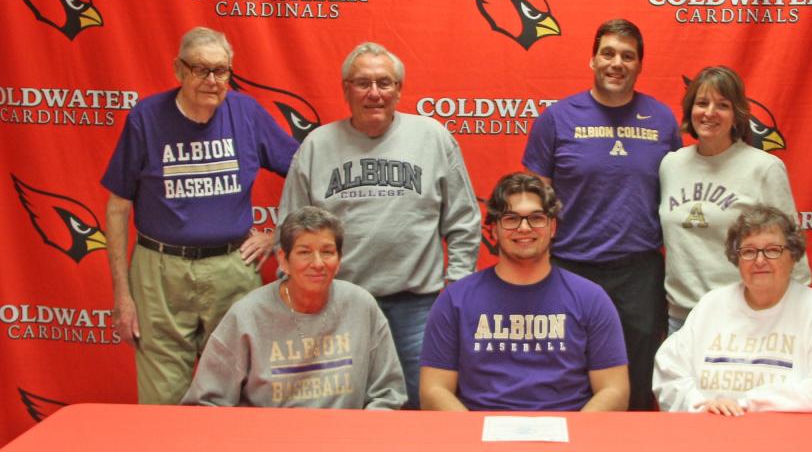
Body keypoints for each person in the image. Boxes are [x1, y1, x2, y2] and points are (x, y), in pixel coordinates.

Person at [102, 26, 298, 405]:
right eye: (201, 70)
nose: (212, 81)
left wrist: (278, 235)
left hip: (232, 268)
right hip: (159, 272)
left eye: (221, 71)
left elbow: (306, 167)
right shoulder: (146, 117)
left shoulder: (246, 112)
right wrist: (122, 295)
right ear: (179, 70)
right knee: (163, 399)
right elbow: (116, 207)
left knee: (240, 391)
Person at [278, 42, 481, 407]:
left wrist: (457, 287)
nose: (374, 93)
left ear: (399, 90)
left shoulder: (432, 137)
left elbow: (464, 218)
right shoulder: (316, 145)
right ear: (345, 89)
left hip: (417, 306)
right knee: (344, 407)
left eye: (384, 83)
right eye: (362, 83)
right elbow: (291, 227)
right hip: (338, 305)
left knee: (424, 404)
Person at [522, 18, 681, 411]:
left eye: (627, 56)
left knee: (638, 377)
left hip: (639, 272)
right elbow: (532, 201)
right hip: (569, 268)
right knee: (566, 373)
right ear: (592, 60)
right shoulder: (557, 119)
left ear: (639, 65)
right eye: (608, 53)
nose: (617, 63)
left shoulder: (662, 121)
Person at [419, 172, 629, 412]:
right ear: (493, 230)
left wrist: (572, 441)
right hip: (479, 434)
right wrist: (475, 440)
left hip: (568, 435)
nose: (524, 227)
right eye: (511, 219)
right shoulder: (455, 300)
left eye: (536, 218)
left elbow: (614, 390)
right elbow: (433, 390)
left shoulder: (591, 299)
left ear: (552, 227)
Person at [182, 206, 406, 409]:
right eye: (304, 252)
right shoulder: (247, 315)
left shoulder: (362, 306)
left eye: (327, 252)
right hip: (270, 444)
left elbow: (388, 393)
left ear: (339, 261)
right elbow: (206, 403)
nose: (317, 263)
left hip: (345, 442)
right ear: (283, 260)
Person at [653, 205, 812, 415]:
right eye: (749, 251)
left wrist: (746, 404)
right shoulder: (711, 305)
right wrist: (699, 405)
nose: (760, 261)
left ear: (793, 256)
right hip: (712, 433)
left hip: (791, 439)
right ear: (737, 258)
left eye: (772, 250)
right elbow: (669, 372)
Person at [659, 66, 811, 333]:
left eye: (722, 105)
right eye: (702, 103)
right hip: (681, 320)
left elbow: (791, 248)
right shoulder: (671, 165)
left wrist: (799, 315)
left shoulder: (763, 167)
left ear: (737, 114)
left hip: (744, 318)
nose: (709, 113)